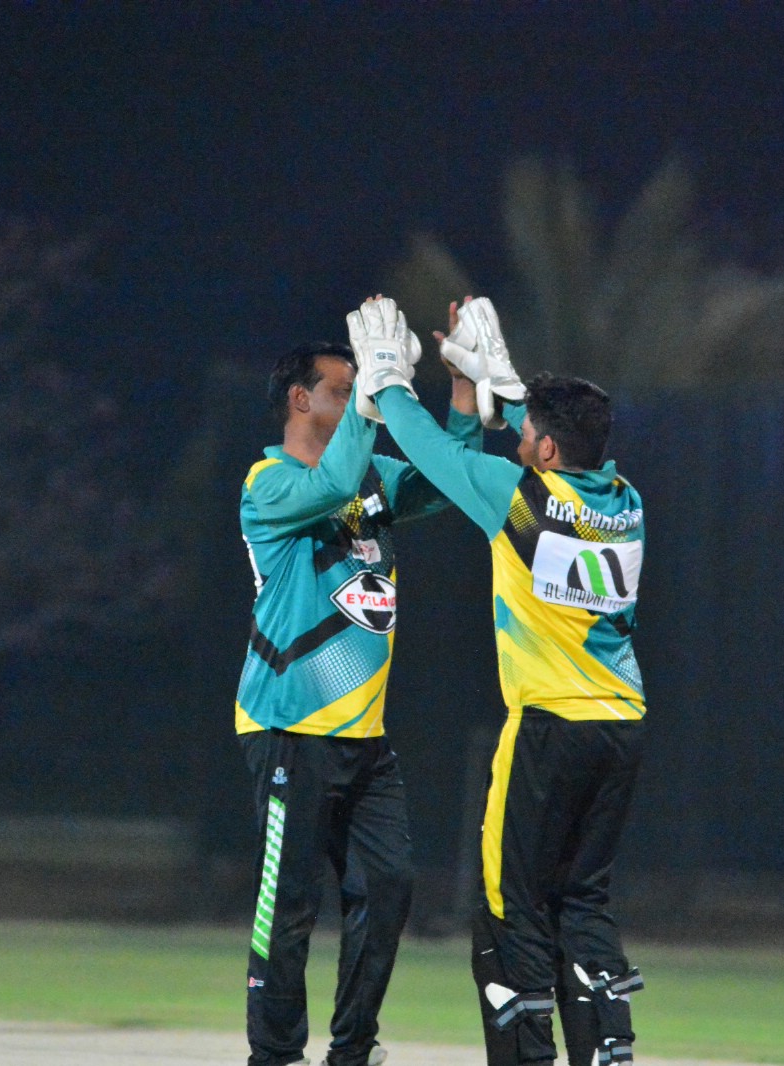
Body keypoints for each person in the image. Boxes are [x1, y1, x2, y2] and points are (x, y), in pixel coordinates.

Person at [349, 296, 647, 1066]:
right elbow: (558, 434)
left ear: (543, 451)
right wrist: (501, 380)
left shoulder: (519, 500)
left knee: (505, 905)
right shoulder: (624, 503)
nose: (513, 442)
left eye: (523, 436)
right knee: (580, 899)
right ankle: (607, 1051)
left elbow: (429, 452)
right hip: (620, 727)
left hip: (550, 729)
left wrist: (386, 381)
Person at [236, 336, 480, 1066]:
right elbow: (335, 482)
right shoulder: (268, 483)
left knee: (390, 886)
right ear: (298, 399)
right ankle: (274, 1055)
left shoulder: (368, 472)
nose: (354, 402)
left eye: (357, 390)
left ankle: (353, 1050)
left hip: (364, 737)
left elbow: (450, 480)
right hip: (288, 724)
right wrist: (373, 406)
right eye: (342, 391)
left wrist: (462, 394)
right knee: (289, 904)